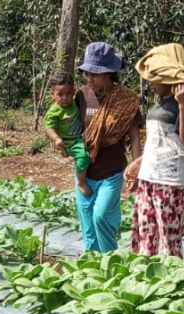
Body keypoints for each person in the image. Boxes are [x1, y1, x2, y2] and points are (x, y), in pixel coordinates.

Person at [126, 43, 184, 257]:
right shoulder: (161, 103)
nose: (150, 82)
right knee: (146, 236)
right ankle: (148, 281)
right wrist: (138, 164)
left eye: (155, 77)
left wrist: (183, 105)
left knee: (168, 241)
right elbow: (159, 143)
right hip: (150, 179)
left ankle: (172, 285)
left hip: (171, 183)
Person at [76, 42, 144, 253]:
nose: (90, 79)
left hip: (112, 172)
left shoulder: (126, 100)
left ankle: (110, 262)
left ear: (109, 74)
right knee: (88, 225)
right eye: (88, 74)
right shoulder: (82, 96)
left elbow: (134, 138)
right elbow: (74, 131)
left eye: (95, 74)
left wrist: (136, 169)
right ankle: (92, 267)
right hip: (85, 172)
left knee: (101, 216)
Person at [43, 72, 92, 197]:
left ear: (73, 92)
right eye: (60, 94)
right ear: (52, 94)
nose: (65, 98)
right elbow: (49, 128)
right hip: (70, 142)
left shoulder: (75, 103)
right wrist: (57, 139)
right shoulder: (54, 112)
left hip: (80, 137)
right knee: (84, 156)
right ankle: (80, 182)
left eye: (69, 93)